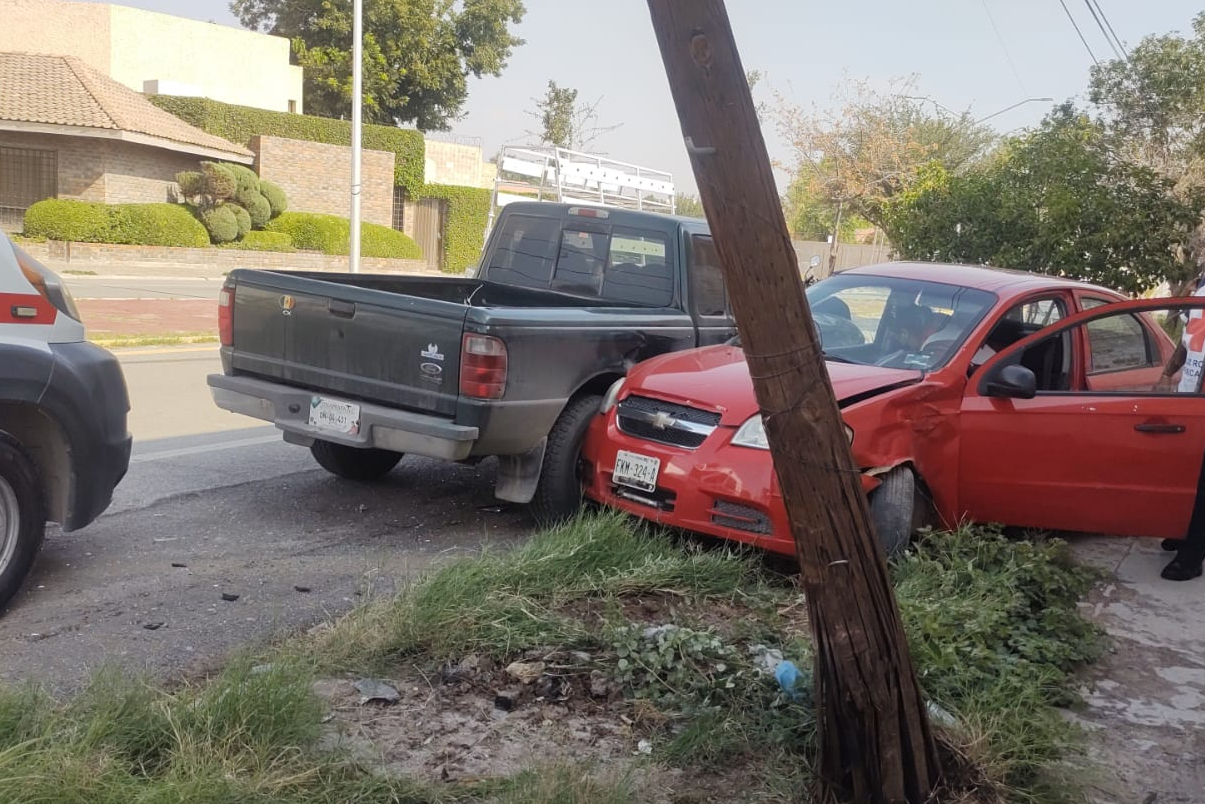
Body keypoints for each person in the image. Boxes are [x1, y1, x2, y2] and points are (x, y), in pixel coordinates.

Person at [1156, 277, 1205, 581]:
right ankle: (1187, 532)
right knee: (1188, 474)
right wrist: (1167, 372)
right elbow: (1191, 339)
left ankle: (1192, 556)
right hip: (1192, 401)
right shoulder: (1201, 287)